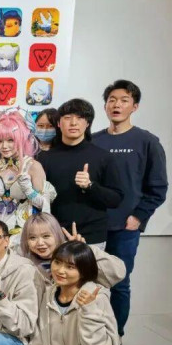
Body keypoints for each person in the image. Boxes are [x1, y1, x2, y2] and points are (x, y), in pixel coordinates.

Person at [92, 80, 168, 337]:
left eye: (124, 100)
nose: (117, 105)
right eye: (112, 100)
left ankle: (115, 336)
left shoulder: (146, 141)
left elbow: (158, 187)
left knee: (119, 283)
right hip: (95, 225)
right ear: (105, 105)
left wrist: (138, 217)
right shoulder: (94, 140)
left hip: (125, 227)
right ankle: (91, 335)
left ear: (134, 106)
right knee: (88, 282)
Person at [38, 98, 123, 245]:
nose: (73, 123)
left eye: (79, 118)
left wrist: (90, 186)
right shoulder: (44, 158)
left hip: (92, 236)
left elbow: (115, 199)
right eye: (67, 118)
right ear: (58, 123)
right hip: (53, 235)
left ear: (87, 123)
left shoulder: (104, 157)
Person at [0, 111, 52, 248]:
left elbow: (44, 206)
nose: (4, 146)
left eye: (10, 140)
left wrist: (28, 190)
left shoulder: (33, 166)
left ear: (21, 139)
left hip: (22, 231)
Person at [20, 213, 125, 289]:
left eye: (46, 236)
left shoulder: (73, 254)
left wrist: (84, 251)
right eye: (32, 238)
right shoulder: (24, 262)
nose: (40, 243)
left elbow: (117, 273)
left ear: (57, 235)